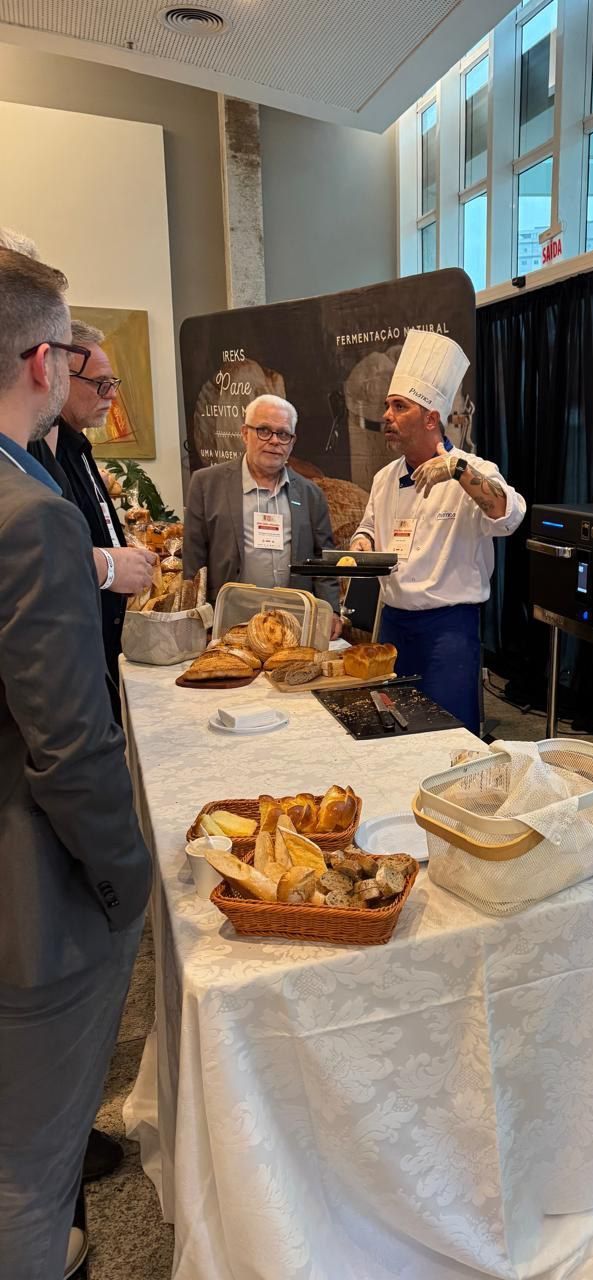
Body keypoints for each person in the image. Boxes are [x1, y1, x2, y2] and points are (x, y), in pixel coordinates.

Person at [0, 248, 152, 1279]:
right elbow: (64, 747)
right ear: (42, 361)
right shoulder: (31, 515)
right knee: (30, 1158)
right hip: (28, 891)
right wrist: (127, 873)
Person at [350, 330, 525, 735]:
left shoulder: (473, 470)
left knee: (447, 740)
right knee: (390, 731)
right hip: (392, 626)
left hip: (448, 632)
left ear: (431, 418)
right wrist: (361, 543)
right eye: (387, 407)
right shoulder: (384, 478)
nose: (386, 416)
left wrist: (458, 471)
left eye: (399, 406)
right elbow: (370, 526)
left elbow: (509, 515)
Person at [27, 320, 157, 720]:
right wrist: (109, 566)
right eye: (101, 385)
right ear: (56, 374)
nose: (113, 396)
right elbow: (36, 558)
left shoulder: (76, 445)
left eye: (113, 383)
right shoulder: (36, 451)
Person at [183, 394, 342, 633]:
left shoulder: (311, 493)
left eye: (283, 434)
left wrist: (331, 611)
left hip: (294, 622)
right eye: (264, 431)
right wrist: (195, 618)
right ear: (245, 433)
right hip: (229, 620)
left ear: (292, 441)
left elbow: (324, 560)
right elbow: (194, 557)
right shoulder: (206, 484)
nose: (274, 441)